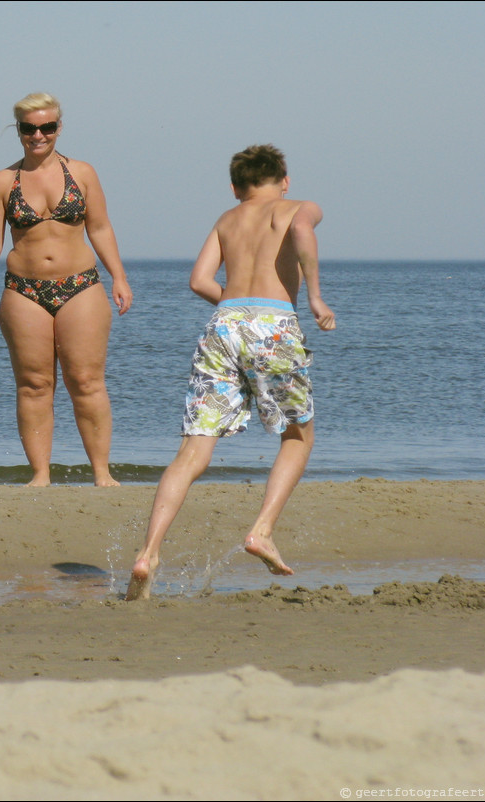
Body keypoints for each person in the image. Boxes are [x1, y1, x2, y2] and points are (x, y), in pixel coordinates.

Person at [126, 144, 336, 601]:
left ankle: (148, 552)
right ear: (285, 179)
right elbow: (302, 229)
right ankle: (261, 530)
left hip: (224, 323)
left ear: (236, 188)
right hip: (273, 325)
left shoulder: (227, 218)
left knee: (192, 451)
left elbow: (199, 281)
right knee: (298, 436)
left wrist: (235, 307)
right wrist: (315, 295)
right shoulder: (297, 206)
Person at [0, 93, 132, 487]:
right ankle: (40, 474)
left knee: (87, 382)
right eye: (29, 128)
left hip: (81, 286)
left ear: (59, 127)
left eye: (47, 127)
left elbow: (101, 228)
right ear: (18, 130)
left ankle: (102, 473)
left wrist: (119, 277)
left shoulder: (83, 173)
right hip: (24, 291)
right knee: (34, 385)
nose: (38, 135)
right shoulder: (2, 182)